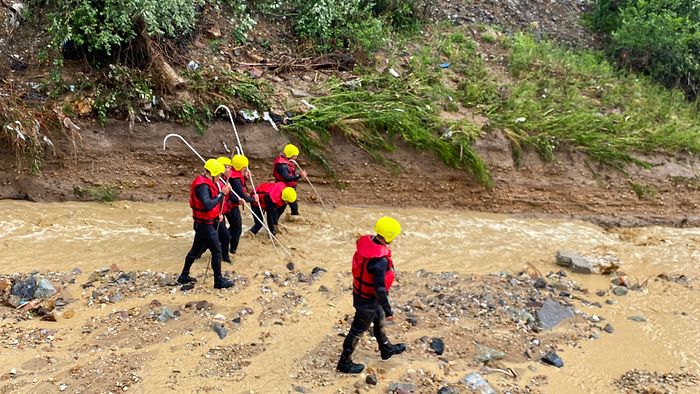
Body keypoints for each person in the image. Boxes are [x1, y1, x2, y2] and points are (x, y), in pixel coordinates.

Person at [336, 216, 407, 374]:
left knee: (378, 320)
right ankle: (344, 363)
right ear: (389, 236)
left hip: (362, 295)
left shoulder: (367, 244)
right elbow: (380, 289)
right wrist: (389, 311)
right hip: (367, 301)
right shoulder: (380, 261)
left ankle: (386, 348)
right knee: (357, 331)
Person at [178, 159, 234, 289]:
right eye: (219, 175)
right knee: (217, 251)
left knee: (194, 250)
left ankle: (183, 275)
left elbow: (211, 206)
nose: (220, 177)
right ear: (213, 174)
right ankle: (218, 281)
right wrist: (222, 194)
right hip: (205, 226)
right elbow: (208, 204)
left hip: (205, 223)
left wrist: (217, 215)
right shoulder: (203, 186)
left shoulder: (206, 183)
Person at [226, 154, 257, 255]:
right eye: (245, 167)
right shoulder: (235, 179)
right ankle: (232, 250)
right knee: (237, 229)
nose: (246, 168)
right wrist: (253, 199)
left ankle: (221, 241)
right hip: (230, 206)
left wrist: (246, 177)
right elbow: (241, 196)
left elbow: (239, 190)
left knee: (233, 228)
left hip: (231, 204)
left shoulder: (236, 176)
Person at [272, 143, 306, 218]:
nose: (296, 157)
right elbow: (286, 178)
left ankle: (294, 218)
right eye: (295, 155)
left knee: (294, 205)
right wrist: (299, 176)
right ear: (290, 155)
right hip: (284, 189)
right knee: (281, 208)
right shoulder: (282, 165)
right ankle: (273, 223)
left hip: (290, 187)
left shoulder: (287, 161)